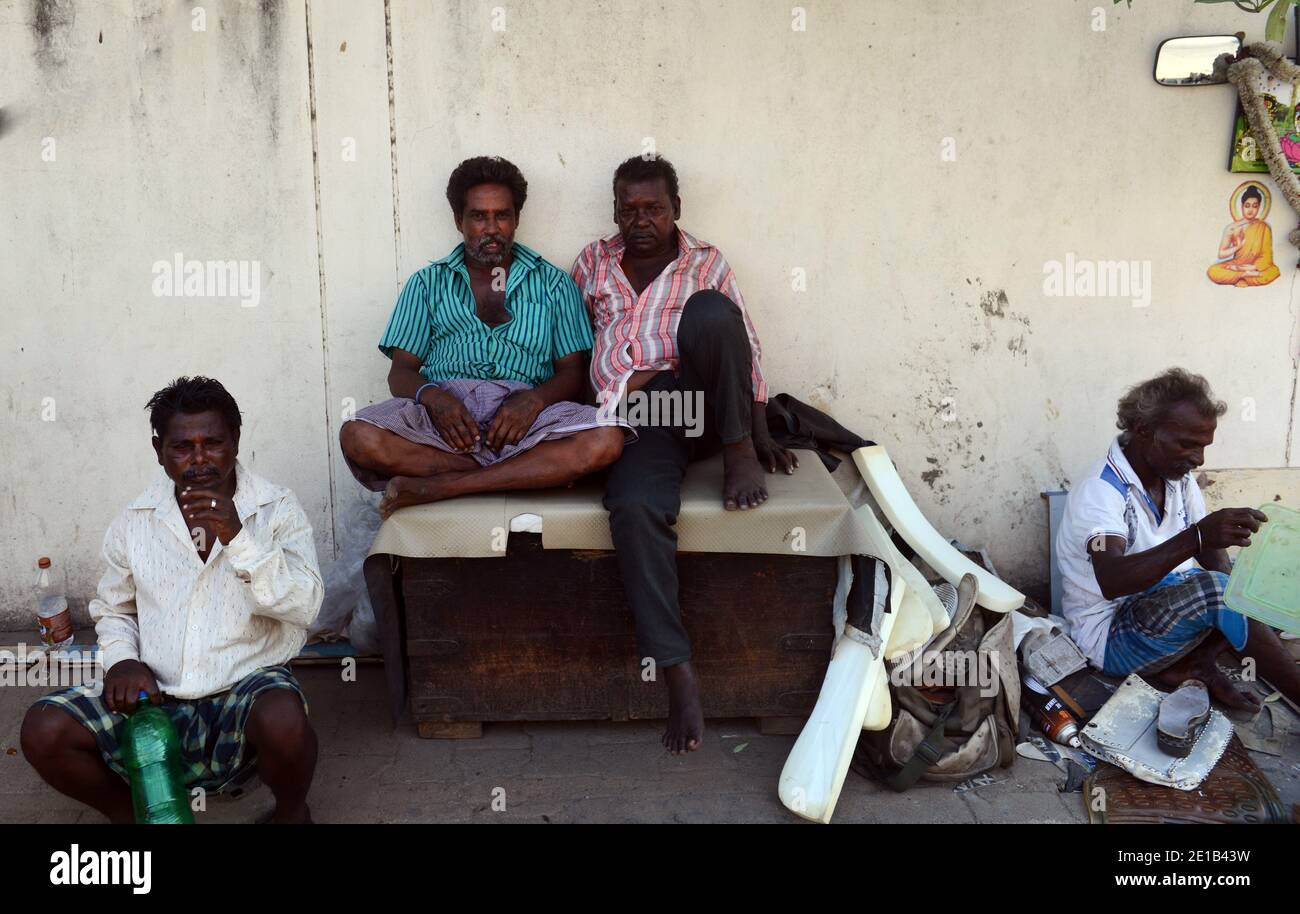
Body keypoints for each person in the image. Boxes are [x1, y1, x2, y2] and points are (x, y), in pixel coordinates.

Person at [571, 154, 799, 753]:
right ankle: (678, 674)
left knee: (709, 312)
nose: (640, 220)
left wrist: (757, 430)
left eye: (654, 208)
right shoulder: (592, 264)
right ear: (615, 209)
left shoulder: (706, 261)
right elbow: (570, 347)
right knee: (635, 505)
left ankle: (737, 452)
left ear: (677, 210)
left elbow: (743, 342)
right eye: (629, 209)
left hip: (702, 402)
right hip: (639, 414)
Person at [21, 377, 324, 823]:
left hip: (245, 689)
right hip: (155, 695)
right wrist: (122, 660)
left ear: (235, 441)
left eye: (214, 443)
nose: (200, 460)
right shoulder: (135, 519)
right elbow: (114, 607)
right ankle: (135, 815)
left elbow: (305, 605)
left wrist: (238, 538)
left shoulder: (276, 508)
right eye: (183, 447)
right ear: (159, 451)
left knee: (284, 716)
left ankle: (292, 813)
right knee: (43, 729)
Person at [340, 155, 625, 517]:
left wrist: (534, 401)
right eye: (478, 216)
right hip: (446, 423)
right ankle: (527, 475)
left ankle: (445, 485)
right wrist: (435, 399)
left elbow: (572, 372)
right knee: (358, 435)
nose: (491, 228)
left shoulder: (554, 284)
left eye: (502, 215)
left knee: (606, 438)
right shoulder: (427, 285)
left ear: (516, 219)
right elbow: (401, 372)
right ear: (459, 220)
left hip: (527, 422)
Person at [1055, 368, 1300, 713]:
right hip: (1110, 639)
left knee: (1256, 583)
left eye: (1203, 446)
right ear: (1144, 431)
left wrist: (1251, 591)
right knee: (1217, 592)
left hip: (1160, 615)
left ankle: (1199, 664)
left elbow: (1215, 560)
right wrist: (1198, 537)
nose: (1198, 459)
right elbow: (1112, 580)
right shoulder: (1101, 491)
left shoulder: (1176, 478)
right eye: (1187, 444)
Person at [1207, 184, 1280, 287]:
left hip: (1253, 267)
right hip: (1237, 264)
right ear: (1242, 206)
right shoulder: (1232, 228)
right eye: (1247, 205)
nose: (1250, 210)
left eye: (1255, 206)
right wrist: (1237, 247)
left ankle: (1242, 277)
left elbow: (1266, 256)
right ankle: (1246, 276)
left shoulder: (1264, 228)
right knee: (1213, 271)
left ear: (1259, 207)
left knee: (1274, 271)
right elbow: (1221, 254)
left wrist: (1252, 267)